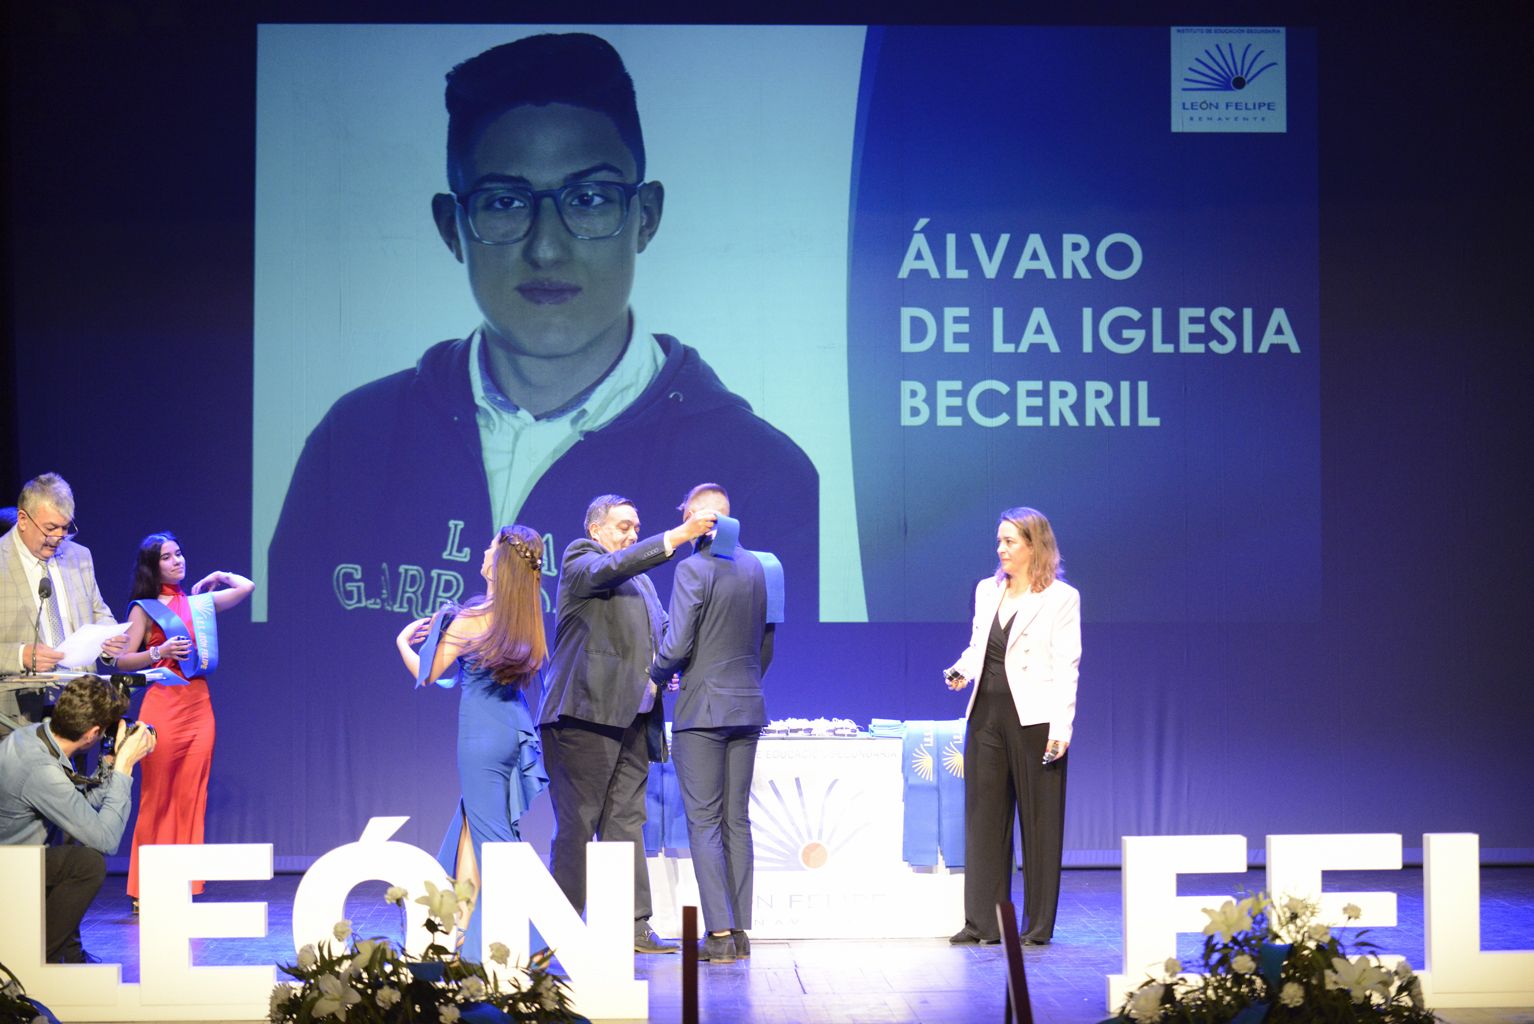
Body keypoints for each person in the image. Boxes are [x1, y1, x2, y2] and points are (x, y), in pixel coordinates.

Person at [267, 31, 818, 668]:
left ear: (646, 215)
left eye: (588, 199)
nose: (547, 248)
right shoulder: (356, 441)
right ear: (453, 228)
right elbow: (291, 665)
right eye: (505, 202)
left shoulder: (761, 470)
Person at [540, 493, 716, 953]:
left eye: (637, 527)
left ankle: (632, 925)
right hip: (584, 714)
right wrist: (677, 536)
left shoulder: (642, 585)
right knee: (579, 823)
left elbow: (659, 632)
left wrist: (666, 668)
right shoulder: (582, 557)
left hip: (634, 720)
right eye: (623, 527)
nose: (632, 534)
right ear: (596, 530)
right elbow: (608, 570)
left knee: (625, 822)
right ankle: (562, 928)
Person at [394, 524, 549, 958]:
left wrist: (402, 641)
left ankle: (527, 937)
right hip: (512, 728)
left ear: (499, 564)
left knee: (493, 839)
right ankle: (461, 928)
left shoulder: (472, 620)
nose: (483, 553)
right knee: (472, 828)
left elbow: (426, 674)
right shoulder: (522, 615)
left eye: (490, 549)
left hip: (480, 735)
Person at [944, 507, 1081, 947]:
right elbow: (978, 645)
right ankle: (983, 922)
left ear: (1033, 546)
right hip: (986, 714)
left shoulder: (1061, 598)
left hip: (1035, 721)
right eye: (999, 541)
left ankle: (1037, 926)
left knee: (1040, 824)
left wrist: (1062, 727)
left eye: (1010, 542)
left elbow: (1067, 666)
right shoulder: (989, 590)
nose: (1000, 549)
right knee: (984, 819)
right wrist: (961, 670)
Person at [650, 484, 775, 964]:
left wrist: (656, 675)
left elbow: (677, 645)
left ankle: (718, 934)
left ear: (701, 520)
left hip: (702, 712)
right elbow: (767, 646)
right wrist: (742, 683)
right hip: (747, 706)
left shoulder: (692, 569)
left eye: (685, 517)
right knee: (735, 821)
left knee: (704, 823)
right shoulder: (762, 568)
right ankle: (739, 932)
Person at [113, 533, 253, 909]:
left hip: (198, 706)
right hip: (162, 706)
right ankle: (144, 889)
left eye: (179, 554)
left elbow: (247, 587)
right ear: (152, 565)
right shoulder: (143, 608)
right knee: (157, 795)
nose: (178, 561)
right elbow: (121, 661)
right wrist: (157, 651)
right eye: (167, 557)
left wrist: (219, 575)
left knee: (191, 795)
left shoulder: (197, 604)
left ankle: (183, 885)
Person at [0, 674, 157, 962]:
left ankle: (68, 954)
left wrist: (109, 764)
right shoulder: (40, 770)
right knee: (86, 865)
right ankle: (31, 959)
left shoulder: (35, 735)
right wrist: (124, 768)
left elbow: (77, 806)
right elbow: (106, 839)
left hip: (17, 858)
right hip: (7, 872)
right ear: (92, 734)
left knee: (72, 855)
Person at [0, 474, 129, 734]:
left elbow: (98, 611)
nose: (59, 537)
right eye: (50, 528)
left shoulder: (79, 556)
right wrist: (19, 655)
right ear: (23, 520)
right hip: (16, 715)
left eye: (66, 527)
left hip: (78, 706)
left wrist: (108, 639)